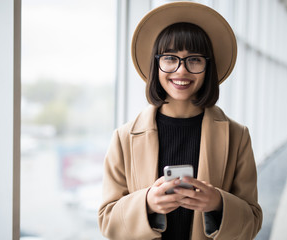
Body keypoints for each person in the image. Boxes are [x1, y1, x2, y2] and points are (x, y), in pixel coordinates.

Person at [98, 2, 262, 240]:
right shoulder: (124, 138)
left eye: (194, 59)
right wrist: (147, 204)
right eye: (170, 58)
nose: (181, 70)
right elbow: (107, 221)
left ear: (208, 67)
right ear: (157, 63)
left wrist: (218, 204)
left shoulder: (237, 136)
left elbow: (253, 221)